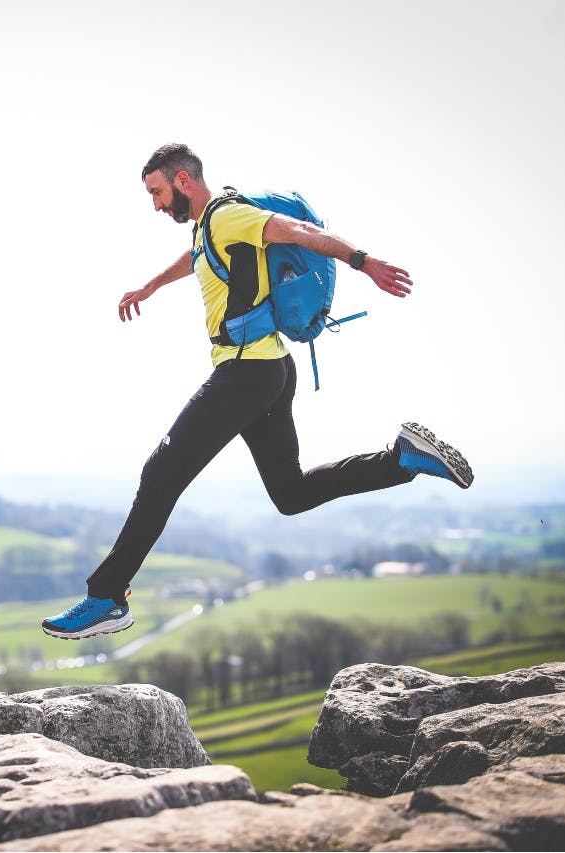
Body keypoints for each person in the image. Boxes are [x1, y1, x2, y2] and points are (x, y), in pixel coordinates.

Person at [41, 143, 473, 640]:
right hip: (269, 371)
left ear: (183, 180)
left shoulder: (229, 216)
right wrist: (151, 286)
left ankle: (106, 596)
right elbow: (196, 256)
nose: (155, 206)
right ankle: (403, 459)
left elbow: (302, 233)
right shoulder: (210, 225)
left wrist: (364, 261)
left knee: (160, 473)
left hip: (244, 376)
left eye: (157, 193)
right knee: (290, 494)